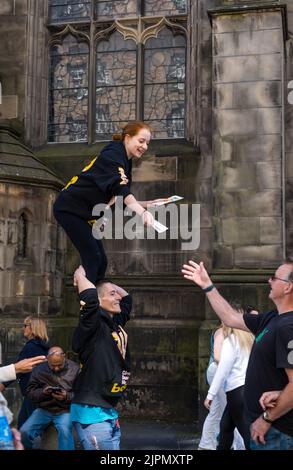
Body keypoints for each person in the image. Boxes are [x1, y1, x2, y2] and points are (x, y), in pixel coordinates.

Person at [182, 260, 293, 450]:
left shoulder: (288, 327)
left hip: (276, 431)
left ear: (288, 287)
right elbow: (230, 317)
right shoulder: (272, 318)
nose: (269, 280)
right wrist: (208, 286)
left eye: (274, 278)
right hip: (265, 428)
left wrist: (266, 419)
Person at [53, 121, 163, 285]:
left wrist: (147, 204)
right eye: (141, 141)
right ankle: (88, 304)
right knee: (93, 257)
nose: (145, 146)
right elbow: (121, 190)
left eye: (147, 143)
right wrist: (142, 212)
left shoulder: (126, 160)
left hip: (84, 214)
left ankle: (96, 298)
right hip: (69, 209)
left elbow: (119, 197)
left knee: (101, 261)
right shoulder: (113, 155)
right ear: (127, 138)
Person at [71, 265, 132, 450]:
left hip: (108, 412)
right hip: (92, 413)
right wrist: (81, 275)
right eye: (112, 294)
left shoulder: (113, 323)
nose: (118, 297)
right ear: (99, 300)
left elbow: (128, 299)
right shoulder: (93, 326)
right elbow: (89, 299)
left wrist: (103, 280)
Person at [204, 309, 254, 450]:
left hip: (236, 391)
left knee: (244, 432)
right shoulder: (249, 339)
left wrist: (210, 395)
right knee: (226, 427)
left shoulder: (231, 341)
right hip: (246, 389)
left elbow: (222, 370)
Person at [20, 346, 80, 450]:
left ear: (64, 357)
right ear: (47, 359)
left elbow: (81, 394)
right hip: (44, 409)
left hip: (65, 410)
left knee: (65, 431)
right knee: (24, 432)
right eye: (53, 365)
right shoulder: (39, 370)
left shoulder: (75, 369)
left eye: (59, 365)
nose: (56, 368)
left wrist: (66, 396)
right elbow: (30, 393)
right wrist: (43, 392)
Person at [198, 325, 245, 450]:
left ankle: (206, 444)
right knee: (228, 410)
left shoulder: (229, 333)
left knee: (217, 411)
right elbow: (218, 357)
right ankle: (238, 445)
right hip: (218, 371)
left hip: (220, 372)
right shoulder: (221, 332)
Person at [0, 316, 50, 428]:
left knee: (25, 428)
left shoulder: (31, 347)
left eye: (25, 325)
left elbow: (18, 369)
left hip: (32, 393)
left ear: (32, 328)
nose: (23, 328)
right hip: (40, 392)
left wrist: (3, 384)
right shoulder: (44, 347)